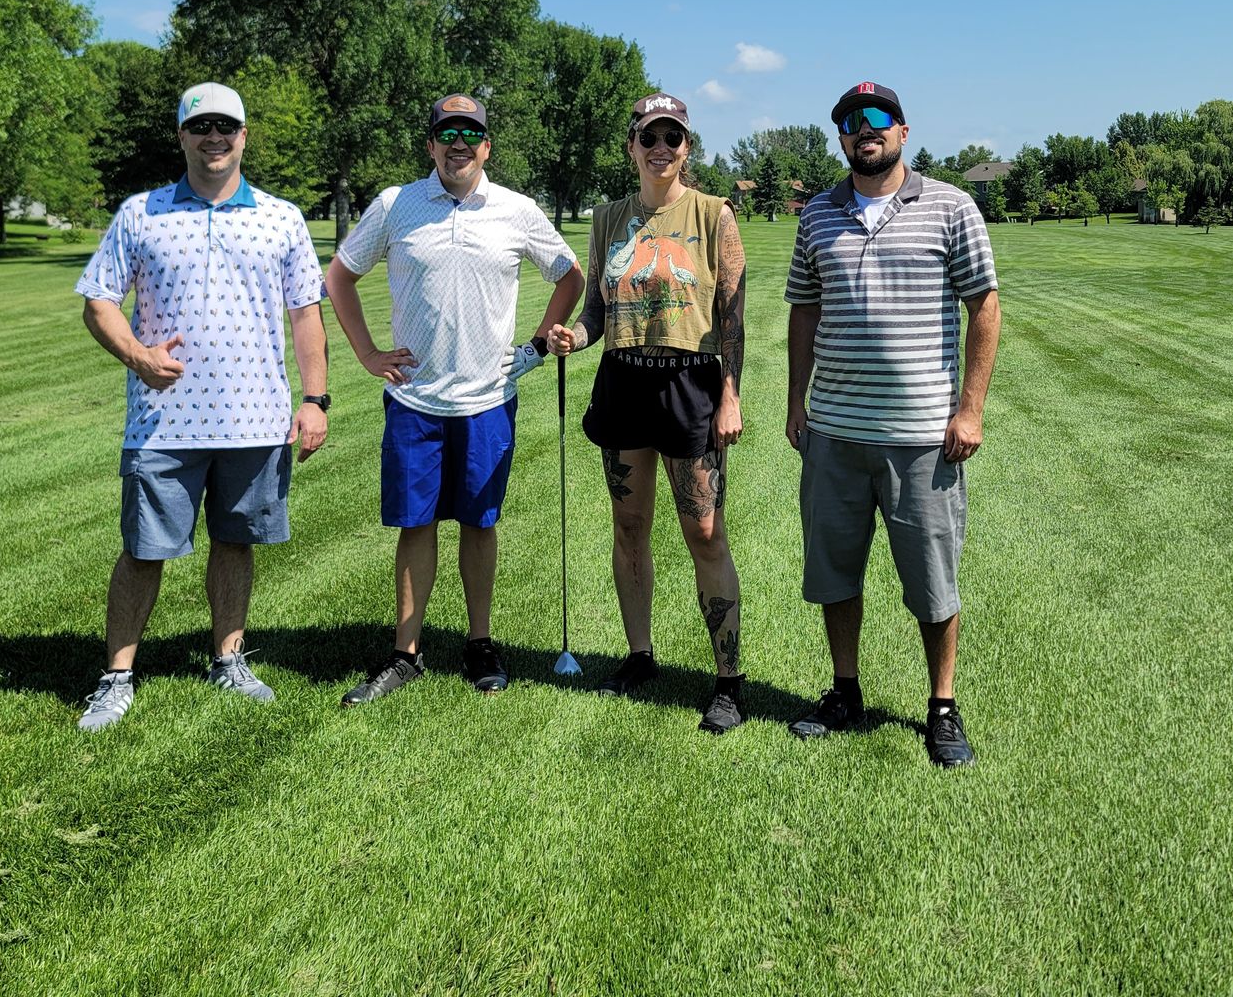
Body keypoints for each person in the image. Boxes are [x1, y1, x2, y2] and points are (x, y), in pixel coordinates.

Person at [72, 82, 329, 732]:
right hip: (163, 423)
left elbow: (305, 315)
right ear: (182, 135)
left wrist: (315, 398)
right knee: (144, 550)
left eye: (227, 126)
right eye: (201, 126)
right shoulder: (142, 213)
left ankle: (228, 659)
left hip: (255, 419)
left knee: (237, 542)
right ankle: (117, 675)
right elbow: (98, 301)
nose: (214, 137)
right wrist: (137, 356)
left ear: (244, 136)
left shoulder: (282, 217)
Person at [324, 94, 585, 704]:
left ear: (487, 145)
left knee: (478, 522)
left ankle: (479, 643)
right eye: (448, 132)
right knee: (415, 525)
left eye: (471, 132)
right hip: (416, 400)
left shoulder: (516, 211)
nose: (459, 143)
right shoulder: (396, 204)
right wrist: (366, 354)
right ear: (431, 144)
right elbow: (338, 276)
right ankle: (405, 652)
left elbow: (569, 274)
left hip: (488, 397)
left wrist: (540, 344)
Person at [783, 81, 1002, 766]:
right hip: (836, 434)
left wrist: (969, 409)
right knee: (833, 572)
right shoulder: (818, 215)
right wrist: (797, 403)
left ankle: (941, 707)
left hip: (921, 440)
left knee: (933, 582)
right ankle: (844, 691)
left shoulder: (951, 207)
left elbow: (985, 307)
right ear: (841, 138)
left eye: (876, 119)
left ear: (903, 131)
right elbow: (803, 310)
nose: (863, 129)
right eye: (849, 122)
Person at [544, 93, 749, 734]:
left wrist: (731, 396)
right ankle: (640, 656)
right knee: (629, 527)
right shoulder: (608, 218)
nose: (661, 147)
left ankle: (727, 681)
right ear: (631, 146)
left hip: (690, 382)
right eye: (649, 137)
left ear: (688, 148)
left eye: (673, 137)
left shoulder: (715, 215)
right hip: (624, 381)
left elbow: (733, 317)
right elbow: (598, 315)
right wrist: (573, 338)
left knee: (705, 534)